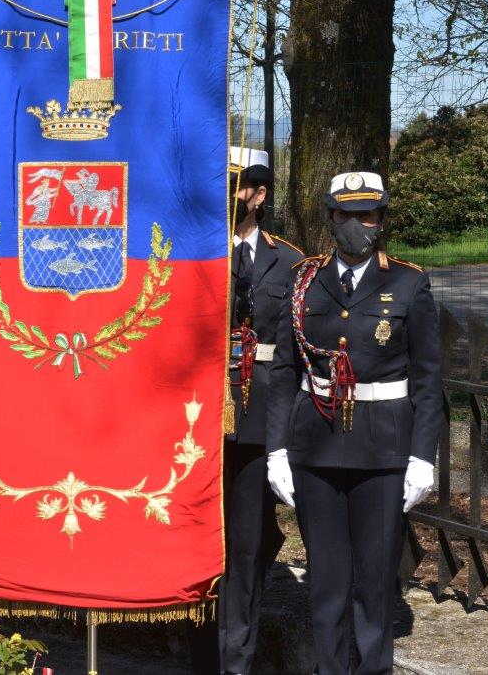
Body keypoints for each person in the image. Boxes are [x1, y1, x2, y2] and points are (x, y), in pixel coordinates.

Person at [266, 171, 443, 675]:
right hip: (315, 448)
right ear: (331, 218)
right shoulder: (305, 280)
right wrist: (278, 450)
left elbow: (428, 381)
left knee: (373, 580)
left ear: (382, 220)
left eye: (367, 215)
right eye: (345, 214)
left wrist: (422, 458)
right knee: (325, 583)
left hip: (383, 452)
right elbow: (285, 370)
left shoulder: (409, 283)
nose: (355, 225)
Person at [190, 146, 304, 675]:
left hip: (258, 412)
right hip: (198, 412)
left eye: (240, 189)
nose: (232, 198)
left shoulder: (290, 260)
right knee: (196, 532)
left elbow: (297, 349)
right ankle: (194, 647)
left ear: (258, 195)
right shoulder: (196, 250)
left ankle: (237, 657)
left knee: (248, 535)